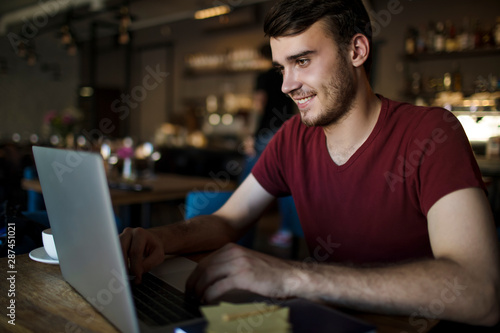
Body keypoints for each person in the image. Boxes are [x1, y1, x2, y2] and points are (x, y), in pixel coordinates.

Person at [120, 0, 500, 326]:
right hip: (327, 324)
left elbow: (480, 291)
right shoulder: (292, 138)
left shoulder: (431, 133)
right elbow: (226, 221)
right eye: (282, 67)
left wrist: (294, 278)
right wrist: (159, 239)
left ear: (357, 51)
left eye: (302, 60)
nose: (287, 84)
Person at [240, 43, 298, 248]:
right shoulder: (288, 75)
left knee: (247, 183)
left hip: (265, 134)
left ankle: (240, 235)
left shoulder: (263, 77)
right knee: (285, 183)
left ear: (260, 57)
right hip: (287, 131)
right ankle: (287, 231)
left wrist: (249, 136)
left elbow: (258, 107)